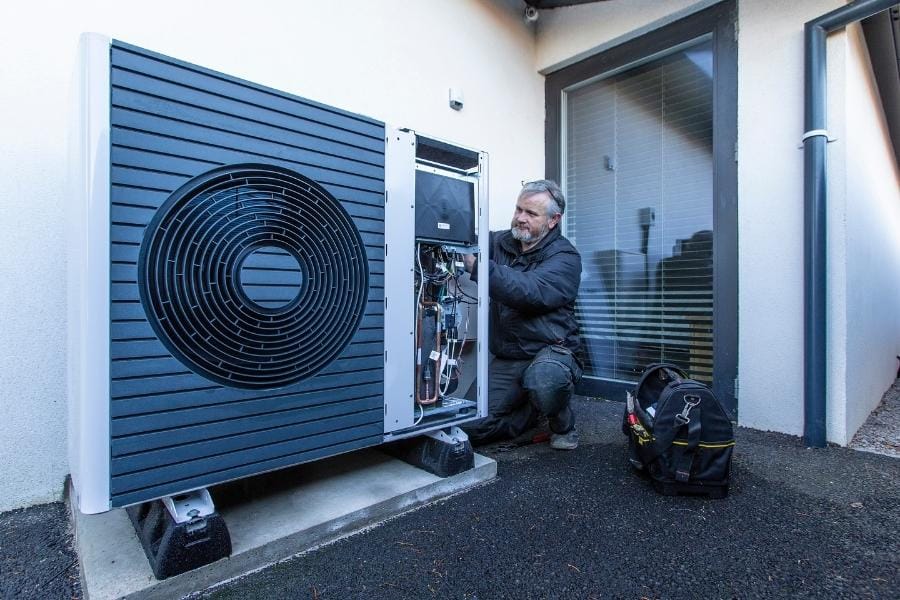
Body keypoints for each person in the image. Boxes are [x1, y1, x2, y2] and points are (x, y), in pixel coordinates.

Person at [463, 179, 583, 450]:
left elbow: (530, 291)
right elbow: (462, 235)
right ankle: (532, 414)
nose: (520, 218)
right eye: (519, 209)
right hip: (512, 355)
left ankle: (562, 423)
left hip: (551, 351)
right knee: (469, 426)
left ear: (553, 220)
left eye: (531, 213)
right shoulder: (500, 242)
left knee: (545, 379)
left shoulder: (566, 257)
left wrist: (481, 268)